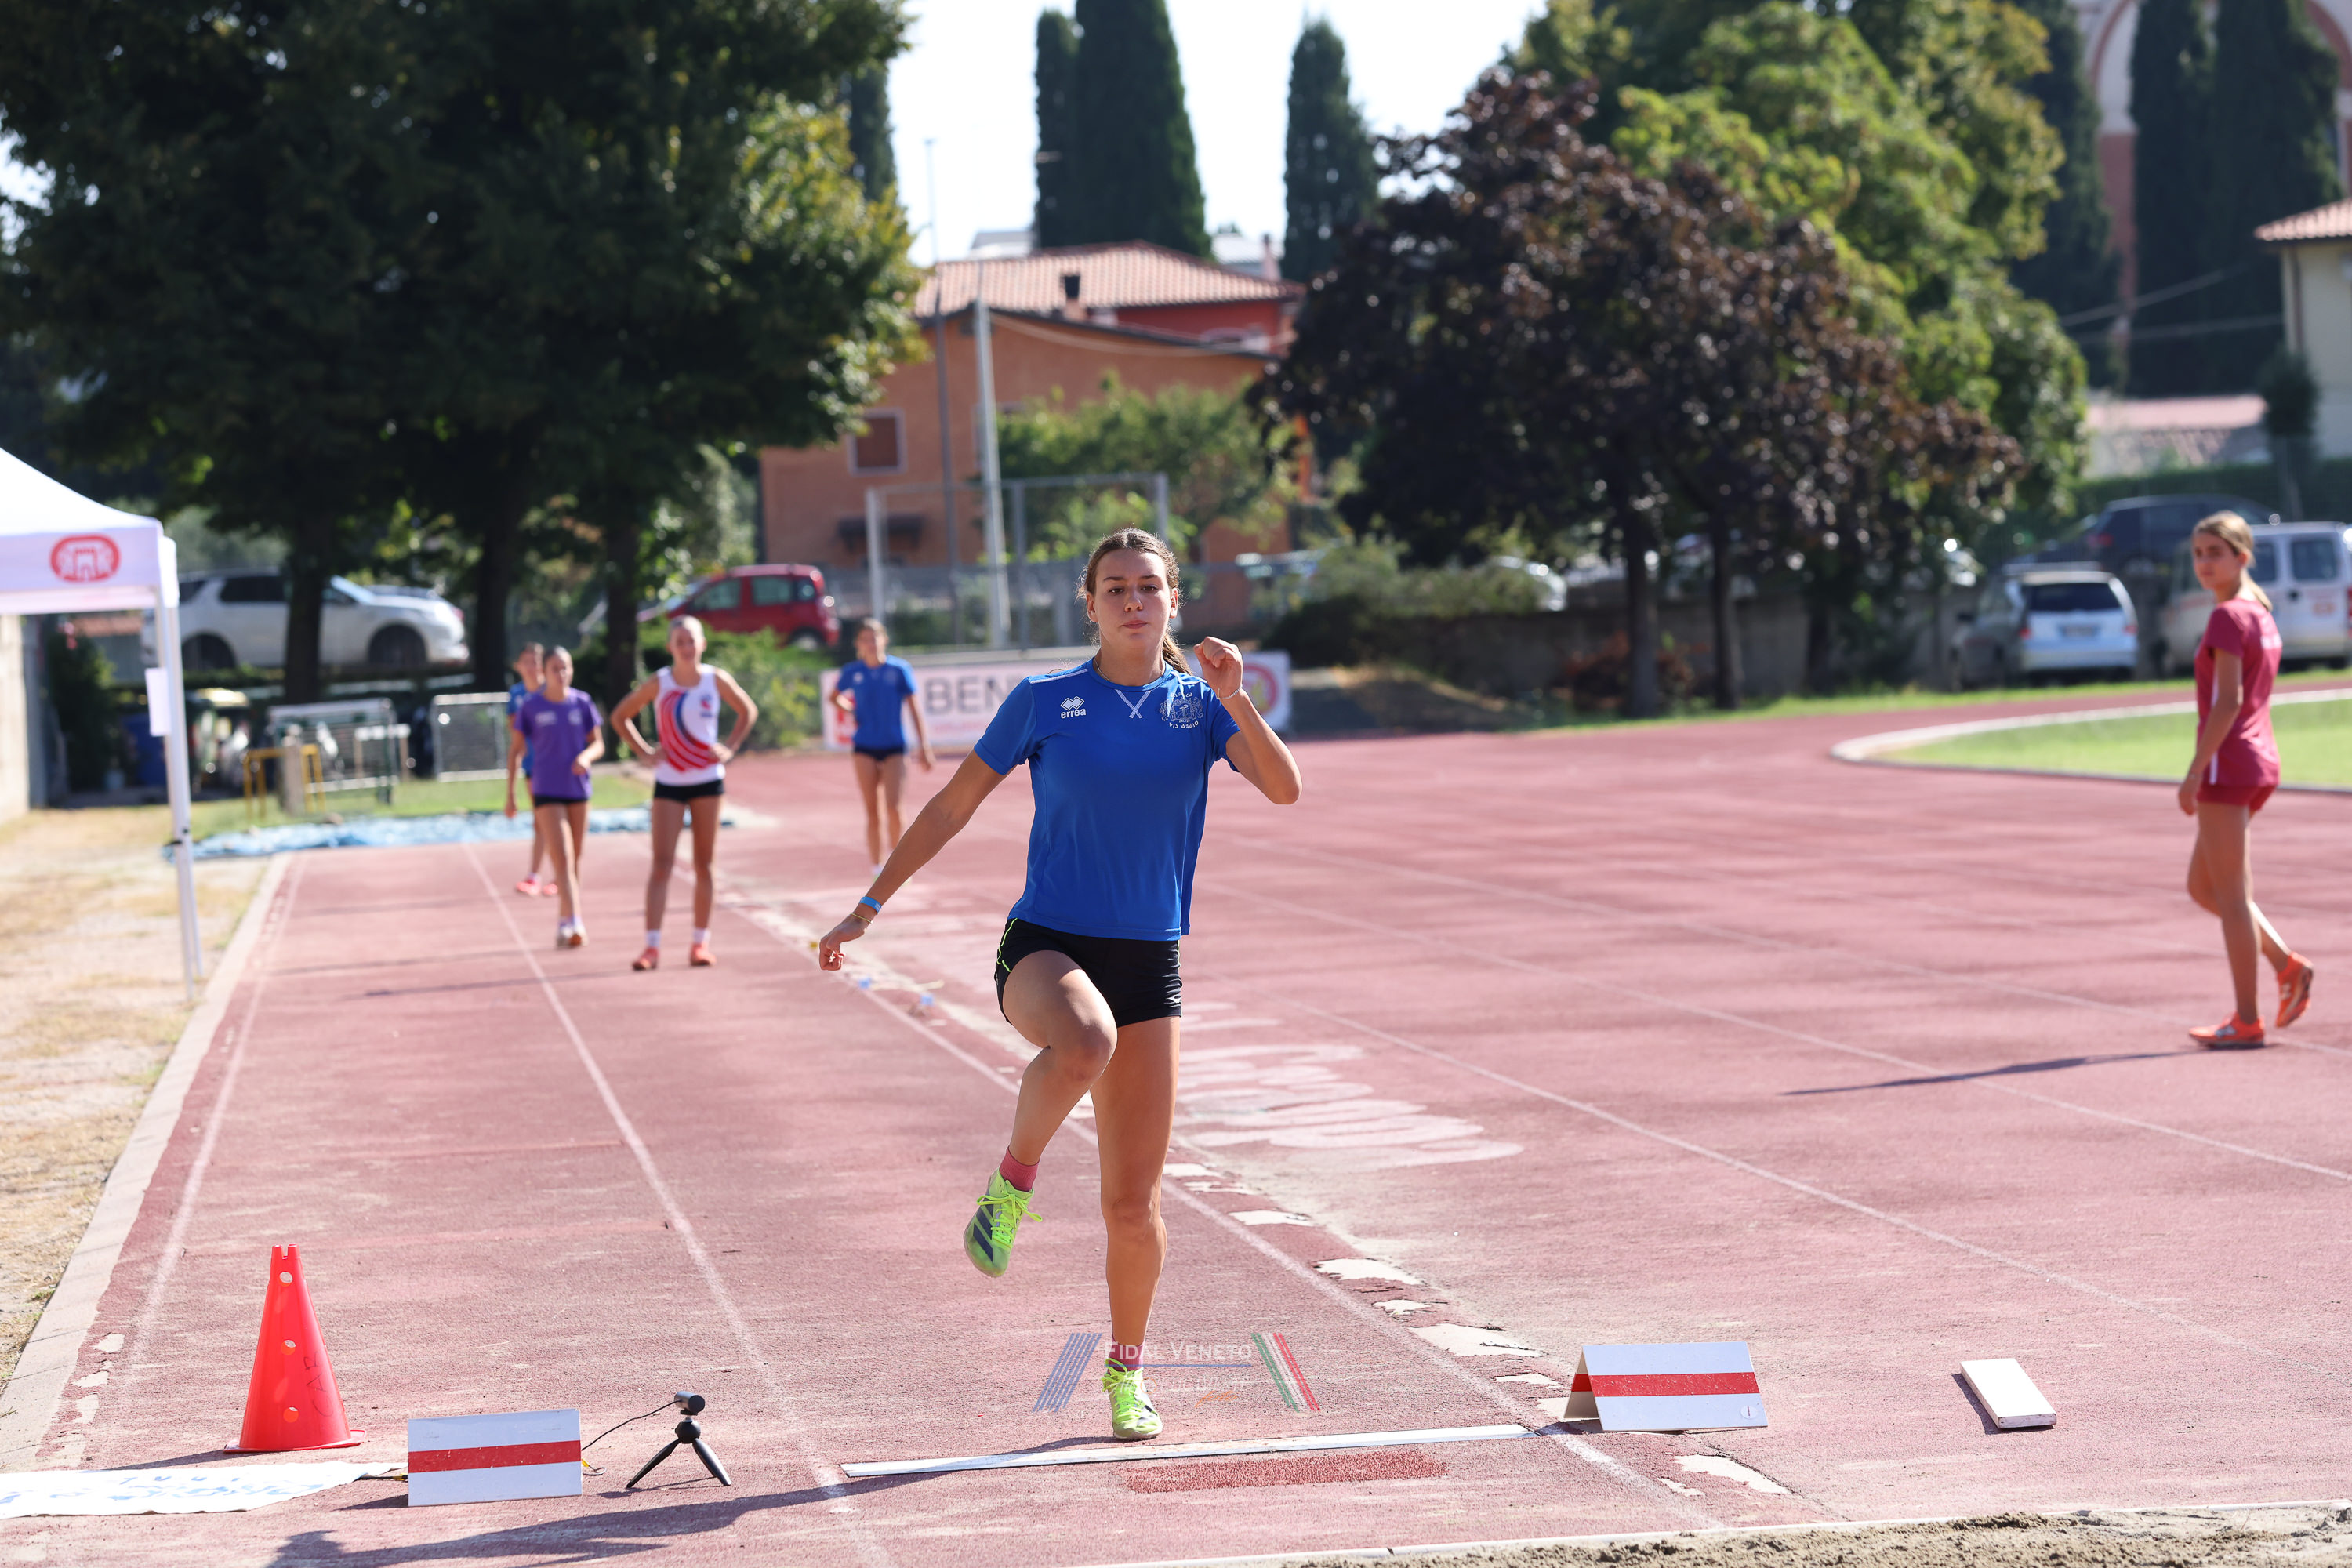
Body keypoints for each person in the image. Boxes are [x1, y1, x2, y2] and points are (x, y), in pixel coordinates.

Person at [818, 528, 1302, 1443]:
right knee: (1085, 1039)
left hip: (1149, 958)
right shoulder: (1046, 700)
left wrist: (1239, 698)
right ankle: (1011, 1185)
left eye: (1148, 587)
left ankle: (1127, 1372)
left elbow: (1284, 788)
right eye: (1115, 587)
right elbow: (953, 803)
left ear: (1173, 600)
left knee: (1133, 1205)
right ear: (1090, 603)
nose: (1133, 601)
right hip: (1047, 945)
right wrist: (867, 907)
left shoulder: (1202, 706)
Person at [2180, 512, 2311, 1047]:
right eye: (2198, 554)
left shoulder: (2228, 617)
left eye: (2216, 553)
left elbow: (2229, 701)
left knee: (2232, 896)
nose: (2205, 563)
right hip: (2257, 761)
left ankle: (2247, 1019)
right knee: (2204, 886)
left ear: (2242, 557)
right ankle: (2286, 964)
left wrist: (2194, 772)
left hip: (2229, 764)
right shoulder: (2260, 613)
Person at [610, 617, 758, 971]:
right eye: (680, 642)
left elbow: (747, 710)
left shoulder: (714, 679)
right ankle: (651, 947)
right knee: (661, 865)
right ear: (670, 647)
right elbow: (620, 716)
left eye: (692, 640)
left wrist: (730, 747)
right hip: (669, 783)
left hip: (708, 781)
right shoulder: (660, 682)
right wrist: (645, 752)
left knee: (704, 864)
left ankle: (700, 943)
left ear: (702, 644)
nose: (687, 647)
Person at [505, 645, 603, 949]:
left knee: (575, 860)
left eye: (565, 668)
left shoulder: (582, 703)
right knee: (562, 856)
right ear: (543, 672)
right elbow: (516, 750)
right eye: (555, 669)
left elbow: (598, 743)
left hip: (578, 789)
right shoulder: (531, 706)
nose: (561, 674)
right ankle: (576, 921)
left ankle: (564, 920)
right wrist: (511, 794)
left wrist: (586, 757)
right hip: (546, 789)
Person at [830, 619, 933, 874]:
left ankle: (898, 866)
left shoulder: (899, 670)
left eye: (874, 638)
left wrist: (924, 746)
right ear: (858, 644)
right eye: (865, 639)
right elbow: (833, 696)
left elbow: (914, 708)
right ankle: (877, 867)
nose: (870, 643)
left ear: (884, 640)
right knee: (872, 811)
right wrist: (851, 709)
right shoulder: (853, 671)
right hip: (864, 747)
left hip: (894, 747)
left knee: (894, 808)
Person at [506, 643, 557, 897]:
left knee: (551, 821)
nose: (531, 667)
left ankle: (554, 874)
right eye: (526, 661)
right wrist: (510, 794)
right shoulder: (516, 696)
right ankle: (538, 875)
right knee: (541, 821)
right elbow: (515, 742)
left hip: (556, 766)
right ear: (518, 666)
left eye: (535, 661)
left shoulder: (554, 691)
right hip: (533, 768)